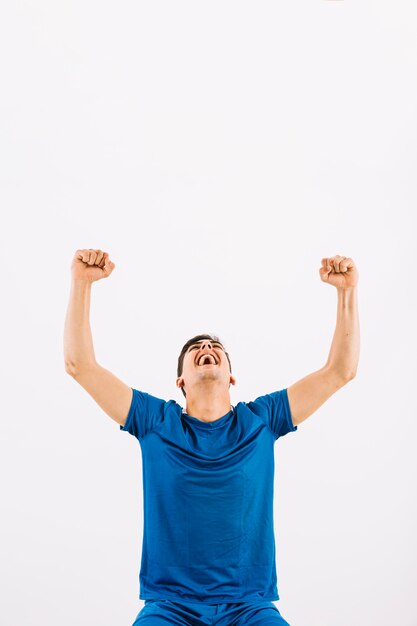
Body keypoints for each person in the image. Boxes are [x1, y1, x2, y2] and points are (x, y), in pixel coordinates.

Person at [64, 249, 360, 625]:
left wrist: (346, 292)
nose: (206, 349)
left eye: (215, 348)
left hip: (249, 607)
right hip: (169, 607)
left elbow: (340, 371)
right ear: (180, 382)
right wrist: (81, 283)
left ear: (232, 377)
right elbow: (80, 365)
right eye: (195, 349)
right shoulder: (154, 421)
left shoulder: (262, 420)